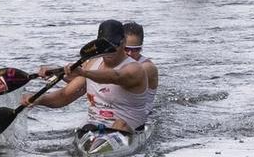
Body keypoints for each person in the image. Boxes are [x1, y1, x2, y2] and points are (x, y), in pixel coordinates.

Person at [22, 19, 158, 146]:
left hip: (125, 128)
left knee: (120, 125)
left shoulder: (136, 69)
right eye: (105, 46)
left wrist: (83, 73)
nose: (109, 51)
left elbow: (115, 76)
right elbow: (64, 96)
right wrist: (38, 99)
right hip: (94, 127)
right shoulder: (92, 64)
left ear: (122, 42)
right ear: (98, 44)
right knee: (86, 128)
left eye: (114, 46)